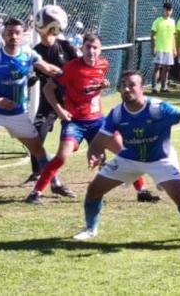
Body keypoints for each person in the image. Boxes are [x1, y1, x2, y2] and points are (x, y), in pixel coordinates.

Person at [72, 71, 180, 241]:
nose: (126, 89)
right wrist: (94, 155)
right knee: (94, 189)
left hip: (160, 159)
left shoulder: (158, 108)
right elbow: (98, 142)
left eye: (131, 85)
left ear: (142, 88)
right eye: (123, 85)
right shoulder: (117, 114)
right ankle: (90, 229)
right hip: (129, 158)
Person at [29, 33, 149, 204]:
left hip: (98, 121)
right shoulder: (70, 68)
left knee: (125, 152)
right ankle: (36, 193)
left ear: (100, 50)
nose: (91, 51)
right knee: (62, 157)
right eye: (88, 47)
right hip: (75, 122)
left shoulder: (103, 64)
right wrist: (60, 110)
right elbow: (49, 89)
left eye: (95, 48)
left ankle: (142, 191)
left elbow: (89, 88)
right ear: (81, 48)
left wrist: (101, 85)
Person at [0, 18, 61, 207]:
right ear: (3, 35)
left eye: (17, 32)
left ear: (24, 35)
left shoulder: (29, 54)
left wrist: (72, 75)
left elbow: (49, 69)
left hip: (17, 112)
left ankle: (56, 183)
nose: (14, 36)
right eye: (10, 33)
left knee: (38, 150)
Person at [27, 9, 79, 192]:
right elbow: (31, 77)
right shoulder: (35, 52)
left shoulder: (66, 47)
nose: (50, 32)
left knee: (92, 133)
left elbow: (81, 67)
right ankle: (37, 172)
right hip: (48, 101)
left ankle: (107, 166)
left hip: (70, 100)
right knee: (35, 133)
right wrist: (30, 78)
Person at [150, 3, 177, 94]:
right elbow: (152, 35)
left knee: (167, 68)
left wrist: (174, 49)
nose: (168, 12)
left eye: (170, 10)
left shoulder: (172, 22)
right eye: (166, 10)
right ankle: (154, 87)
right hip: (159, 48)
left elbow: (173, 36)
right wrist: (153, 48)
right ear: (163, 10)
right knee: (157, 67)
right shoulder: (157, 21)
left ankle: (164, 87)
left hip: (168, 49)